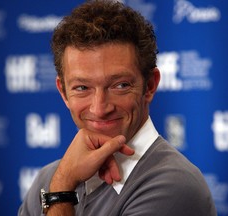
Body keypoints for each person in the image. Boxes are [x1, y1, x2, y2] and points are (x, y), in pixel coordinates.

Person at [18, 1, 216, 215]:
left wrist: (61, 191)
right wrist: (62, 180)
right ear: (63, 92)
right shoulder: (49, 177)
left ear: (149, 86)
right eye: (82, 87)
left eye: (120, 85)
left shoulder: (175, 185)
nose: (100, 108)